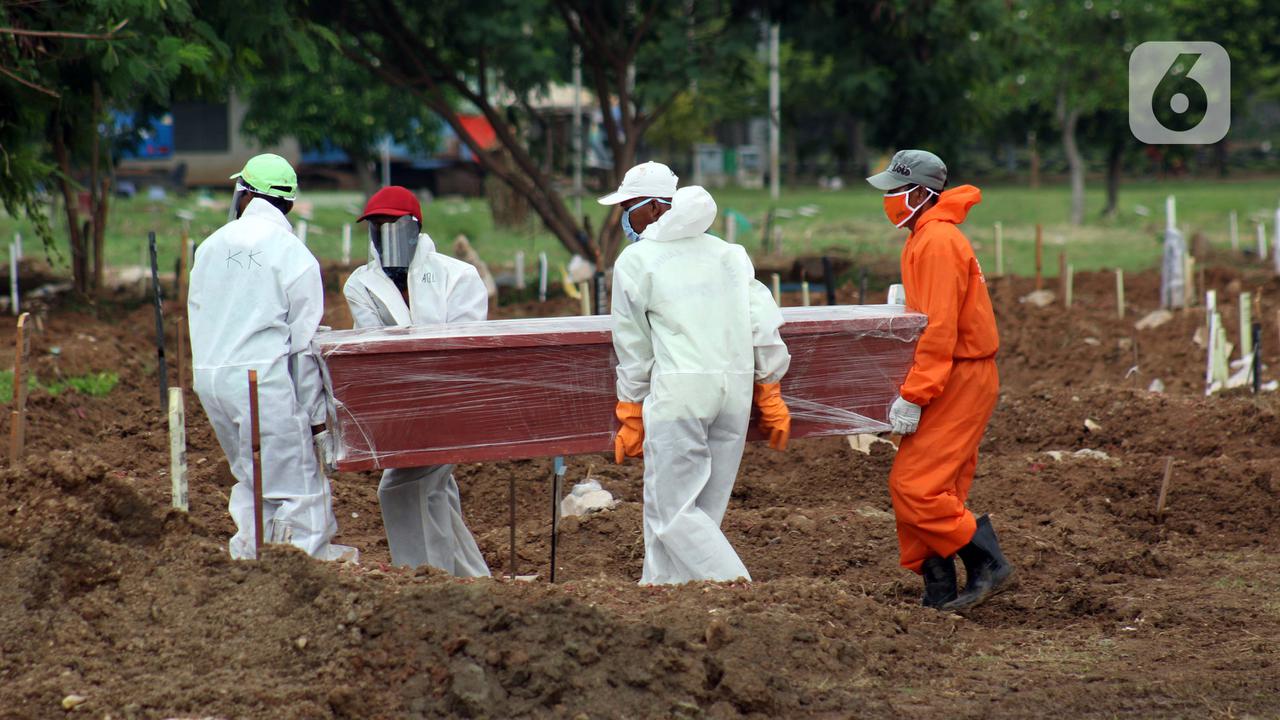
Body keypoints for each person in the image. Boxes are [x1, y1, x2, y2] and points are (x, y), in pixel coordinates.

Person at [605, 167, 792, 585]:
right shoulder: (729, 253)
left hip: (681, 395)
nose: (624, 219)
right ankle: (661, 592)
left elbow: (633, 346)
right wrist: (769, 387)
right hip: (734, 395)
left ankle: (737, 590)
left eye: (627, 208)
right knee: (701, 514)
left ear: (655, 208)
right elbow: (763, 324)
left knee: (671, 514)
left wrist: (630, 408)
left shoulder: (636, 260)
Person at [866, 149, 1013, 610]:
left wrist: (915, 394)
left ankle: (987, 562)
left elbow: (940, 328)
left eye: (896, 190)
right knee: (934, 488)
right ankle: (939, 591)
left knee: (916, 487)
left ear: (921, 194)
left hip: (958, 375)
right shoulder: (924, 236)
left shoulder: (937, 241)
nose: (889, 198)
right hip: (954, 372)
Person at [189, 153, 353, 561]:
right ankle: (301, 576)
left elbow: (200, 312)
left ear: (245, 194)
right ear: (288, 204)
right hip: (263, 384)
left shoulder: (210, 246)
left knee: (252, 478)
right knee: (300, 491)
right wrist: (316, 417)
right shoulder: (293, 254)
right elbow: (303, 345)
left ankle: (248, 564)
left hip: (212, 381)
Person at [342, 186, 491, 576]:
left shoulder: (457, 276)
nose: (384, 234)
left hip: (452, 403)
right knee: (434, 493)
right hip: (403, 409)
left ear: (414, 228)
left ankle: (424, 578)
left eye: (393, 225)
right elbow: (371, 348)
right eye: (377, 226)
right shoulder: (361, 283)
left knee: (400, 488)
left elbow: (464, 348)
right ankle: (471, 581)